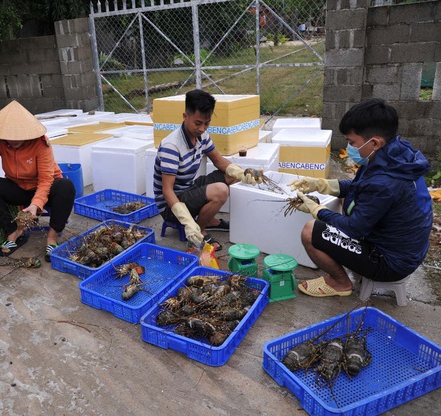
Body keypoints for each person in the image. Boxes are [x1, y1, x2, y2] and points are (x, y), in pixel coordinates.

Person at [290, 98, 433, 297]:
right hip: (403, 247)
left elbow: (355, 228)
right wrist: (322, 185)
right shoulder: (393, 155)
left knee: (310, 231)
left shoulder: (386, 183)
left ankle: (340, 283)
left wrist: (317, 211)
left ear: (374, 142)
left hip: (390, 262)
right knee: (344, 199)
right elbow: (360, 187)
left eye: (351, 142)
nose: (349, 147)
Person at [0, 100, 75, 261]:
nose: (13, 140)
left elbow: (46, 180)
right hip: (18, 188)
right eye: (9, 137)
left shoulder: (41, 143)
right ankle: (13, 232)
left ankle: (52, 237)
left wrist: (36, 204)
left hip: (45, 189)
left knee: (66, 186)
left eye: (18, 136)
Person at [154, 89, 263, 249]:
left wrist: (243, 174)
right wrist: (187, 221)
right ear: (185, 116)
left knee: (232, 174)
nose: (203, 128)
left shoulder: (202, 136)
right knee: (220, 190)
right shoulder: (172, 146)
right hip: (171, 205)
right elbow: (167, 191)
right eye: (198, 123)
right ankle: (200, 229)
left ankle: (209, 220)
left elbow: (218, 160)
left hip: (187, 189)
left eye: (207, 123)